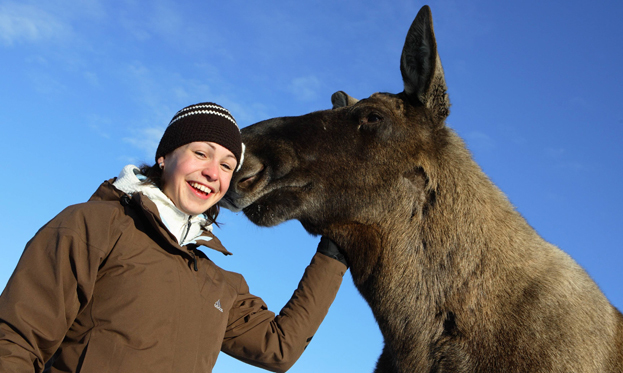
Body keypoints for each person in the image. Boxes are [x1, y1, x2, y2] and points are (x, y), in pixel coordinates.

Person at [0, 102, 348, 373]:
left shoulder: (217, 283)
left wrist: (334, 251)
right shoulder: (93, 225)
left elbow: (279, 348)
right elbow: (16, 341)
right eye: (201, 153)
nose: (213, 172)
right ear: (164, 157)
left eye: (227, 165)